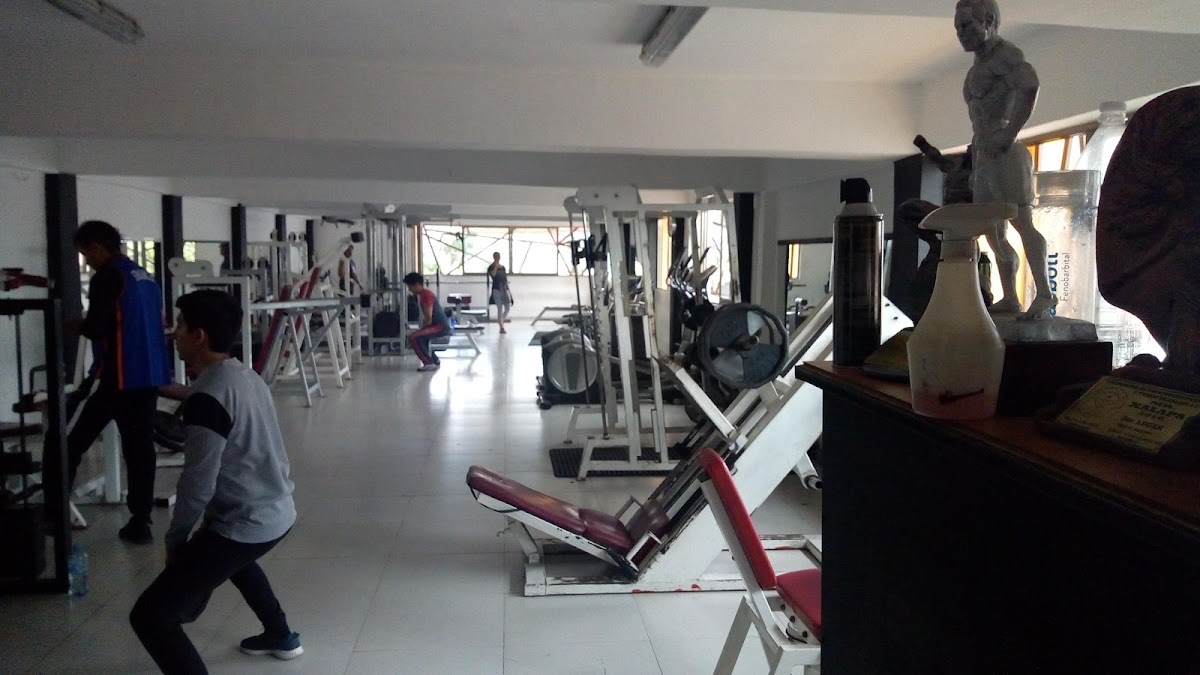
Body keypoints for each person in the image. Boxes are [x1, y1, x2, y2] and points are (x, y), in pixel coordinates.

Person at [130, 289, 301, 673]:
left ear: (199, 336)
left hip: (247, 522)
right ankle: (280, 635)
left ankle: (277, 633)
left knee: (151, 617)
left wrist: (177, 542)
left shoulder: (207, 398)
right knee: (238, 560)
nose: (174, 334)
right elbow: (218, 404)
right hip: (278, 512)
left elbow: (197, 486)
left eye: (180, 326)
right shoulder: (245, 376)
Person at [69, 220, 171, 544]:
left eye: (87, 254)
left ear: (97, 247)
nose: (88, 261)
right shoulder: (144, 276)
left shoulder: (107, 277)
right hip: (146, 376)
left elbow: (98, 327)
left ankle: (53, 515)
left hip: (118, 376)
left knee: (70, 442)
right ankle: (141, 521)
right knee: (140, 449)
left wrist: (77, 325)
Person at [956, 0, 1056, 319]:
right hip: (984, 154)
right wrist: (975, 163)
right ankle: (1010, 296)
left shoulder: (1006, 56)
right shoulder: (976, 67)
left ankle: (1045, 294)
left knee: (1021, 221)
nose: (961, 33)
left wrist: (1010, 132)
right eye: (958, 28)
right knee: (991, 228)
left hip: (1006, 152)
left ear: (988, 21)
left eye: (967, 25)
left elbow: (1030, 85)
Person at [403, 272, 451, 372]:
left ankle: (428, 363)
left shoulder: (426, 295)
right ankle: (434, 360)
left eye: (410, 286)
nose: (409, 289)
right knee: (420, 336)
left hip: (440, 326)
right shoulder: (423, 295)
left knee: (414, 337)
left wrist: (421, 330)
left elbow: (429, 317)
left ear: (417, 285)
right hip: (437, 325)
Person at [487, 252, 512, 334]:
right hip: (496, 290)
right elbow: (493, 275)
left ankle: (501, 320)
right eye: (496, 257)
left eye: (498, 257)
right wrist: (495, 267)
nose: (497, 258)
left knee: (507, 307)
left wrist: (507, 287)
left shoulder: (503, 267)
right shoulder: (491, 267)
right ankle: (501, 327)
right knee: (500, 308)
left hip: (504, 289)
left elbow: (505, 278)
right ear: (494, 257)